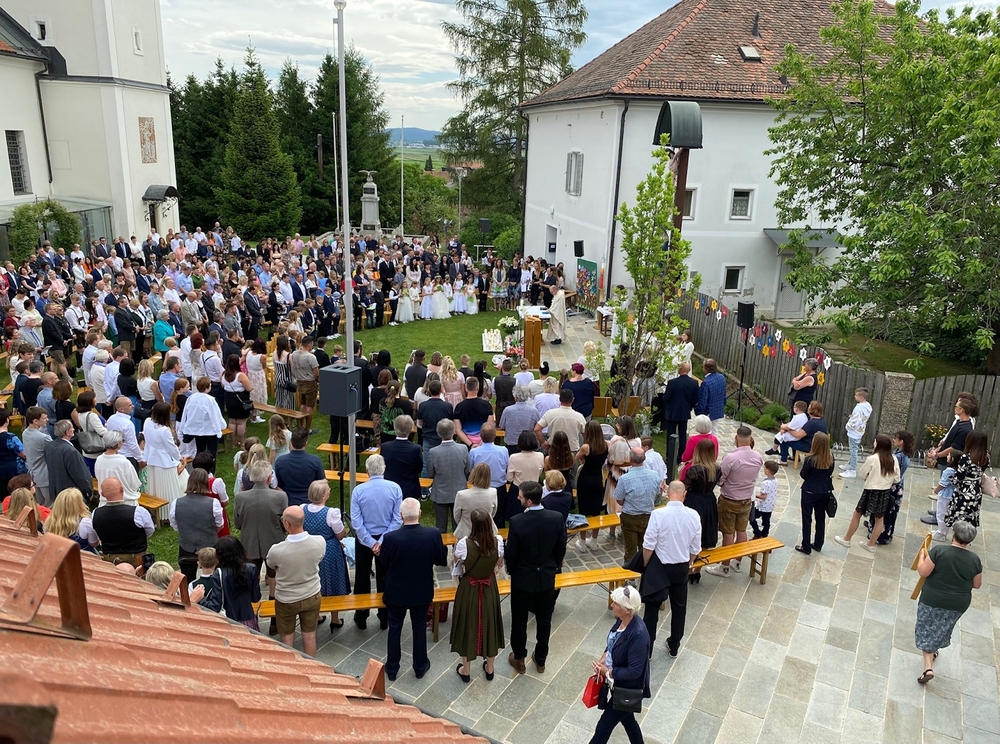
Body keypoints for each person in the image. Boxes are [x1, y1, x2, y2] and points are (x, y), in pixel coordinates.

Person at [379, 497, 448, 681]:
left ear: (401, 515)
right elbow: (441, 559)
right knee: (419, 627)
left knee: (395, 628)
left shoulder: (391, 538)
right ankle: (420, 666)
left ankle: (392, 668)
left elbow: (383, 561)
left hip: (396, 592)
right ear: (420, 513)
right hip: (421, 590)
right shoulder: (432, 534)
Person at [506, 481, 567, 675]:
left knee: (519, 620)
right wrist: (552, 567)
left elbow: (511, 553)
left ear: (529, 500)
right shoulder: (556, 518)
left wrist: (512, 571)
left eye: (520, 496)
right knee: (544, 620)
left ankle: (519, 658)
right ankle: (541, 659)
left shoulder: (517, 521)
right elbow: (561, 547)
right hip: (546, 577)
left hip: (522, 578)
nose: (518, 498)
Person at [913, 520, 983, 684]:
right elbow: (977, 584)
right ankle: (933, 650)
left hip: (932, 598)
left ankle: (928, 667)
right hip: (958, 603)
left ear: (954, 534)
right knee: (943, 627)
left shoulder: (939, 551)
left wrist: (922, 556)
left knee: (926, 628)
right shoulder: (975, 560)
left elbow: (923, 571)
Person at [640, 480, 701, 656]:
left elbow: (648, 544)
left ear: (667, 494)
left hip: (659, 567)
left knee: (651, 610)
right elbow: (695, 547)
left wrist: (646, 564)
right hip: (681, 566)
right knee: (679, 607)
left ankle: (647, 650)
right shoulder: (694, 515)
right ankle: (674, 645)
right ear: (684, 495)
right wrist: (689, 563)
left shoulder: (658, 514)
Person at [587, 585, 651, 744]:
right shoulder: (622, 620)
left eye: (616, 603)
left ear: (627, 610)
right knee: (628, 720)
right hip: (618, 686)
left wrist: (608, 672)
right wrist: (602, 660)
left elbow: (634, 671)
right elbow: (612, 644)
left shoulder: (638, 635)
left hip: (627, 689)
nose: (612, 605)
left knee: (603, 729)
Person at [451, 508, 505, 683]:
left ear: (473, 524)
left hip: (469, 588)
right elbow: (499, 563)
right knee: (490, 624)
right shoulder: (498, 541)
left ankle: (466, 670)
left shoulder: (463, 544)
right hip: (489, 587)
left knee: (467, 625)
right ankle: (490, 668)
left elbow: (457, 561)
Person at [350, 455, 403, 630]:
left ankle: (361, 615)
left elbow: (357, 522)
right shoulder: (394, 488)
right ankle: (384, 616)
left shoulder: (358, 491)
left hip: (365, 538)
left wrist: (371, 542)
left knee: (362, 577)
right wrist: (380, 542)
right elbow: (397, 519)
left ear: (367, 471)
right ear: (384, 469)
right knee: (386, 577)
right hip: (387, 538)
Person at [266, 505, 325, 656]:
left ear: (287, 524)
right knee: (310, 637)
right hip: (312, 594)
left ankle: (291, 668)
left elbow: (271, 566)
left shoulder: (277, 550)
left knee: (287, 638)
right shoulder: (319, 542)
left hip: (287, 599)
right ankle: (311, 667)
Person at [705, 426, 763, 578]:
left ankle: (724, 567)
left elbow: (721, 479)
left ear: (736, 438)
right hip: (746, 500)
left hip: (729, 500)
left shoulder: (730, 458)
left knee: (728, 533)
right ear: (751, 439)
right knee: (741, 531)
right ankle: (737, 562)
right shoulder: (758, 457)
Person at [834, 434, 901, 554]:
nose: (874, 443)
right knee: (879, 519)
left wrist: (870, 477)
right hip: (885, 491)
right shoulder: (893, 459)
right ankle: (871, 544)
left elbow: (862, 474)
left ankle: (847, 539)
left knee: (857, 514)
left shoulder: (872, 458)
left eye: (875, 442)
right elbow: (897, 478)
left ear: (878, 444)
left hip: (871, 490)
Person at [303, 480, 350, 629]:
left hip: (309, 549)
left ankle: (316, 615)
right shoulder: (331, 513)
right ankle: (335, 619)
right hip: (328, 549)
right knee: (333, 581)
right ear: (324, 495)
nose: (330, 491)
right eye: (328, 490)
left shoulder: (302, 508)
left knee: (312, 581)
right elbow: (340, 534)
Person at [170, 468, 224, 583]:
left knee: (187, 581)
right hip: (209, 547)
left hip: (186, 547)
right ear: (205, 483)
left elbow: (175, 526)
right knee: (214, 581)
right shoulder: (213, 503)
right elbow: (220, 525)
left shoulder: (176, 503)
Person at [92, 476, 154, 567]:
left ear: (103, 494)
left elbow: (96, 533)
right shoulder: (138, 512)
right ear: (122, 489)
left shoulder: (95, 513)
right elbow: (149, 531)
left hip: (110, 560)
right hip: (137, 558)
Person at [615, 447, 661, 563]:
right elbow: (656, 493)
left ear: (630, 459)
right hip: (648, 516)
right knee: (646, 547)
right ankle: (645, 568)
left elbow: (619, 500)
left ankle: (630, 571)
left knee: (630, 550)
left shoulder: (624, 479)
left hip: (630, 517)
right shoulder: (655, 475)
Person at [426, 419, 472, 532]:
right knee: (459, 527)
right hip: (459, 491)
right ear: (454, 431)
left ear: (438, 433)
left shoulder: (433, 452)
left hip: (440, 492)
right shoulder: (463, 449)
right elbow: (468, 470)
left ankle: (442, 544)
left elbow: (430, 473)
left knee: (440, 527)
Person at [795, 433, 834, 555]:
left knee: (807, 518)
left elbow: (803, 475)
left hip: (809, 492)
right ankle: (818, 544)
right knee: (820, 518)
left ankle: (806, 546)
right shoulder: (831, 458)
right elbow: (830, 472)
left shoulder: (810, 459)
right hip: (824, 492)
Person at [143, 402, 187, 508]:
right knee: (168, 487)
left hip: (151, 458)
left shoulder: (147, 421)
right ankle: (169, 509)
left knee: (155, 486)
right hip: (164, 462)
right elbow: (171, 447)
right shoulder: (164, 430)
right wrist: (179, 457)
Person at [944, 429, 990, 529]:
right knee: (970, 513)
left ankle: (957, 535)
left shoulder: (966, 458)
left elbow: (959, 478)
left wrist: (950, 478)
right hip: (976, 489)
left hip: (964, 489)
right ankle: (968, 533)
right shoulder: (986, 457)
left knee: (959, 515)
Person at [215, 536, 263, 630]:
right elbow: (256, 598)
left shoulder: (218, 574)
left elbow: (216, 603)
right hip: (248, 618)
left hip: (229, 621)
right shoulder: (251, 569)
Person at [43, 420, 93, 506]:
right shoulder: (70, 451)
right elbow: (79, 474)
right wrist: (88, 491)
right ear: (67, 432)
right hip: (71, 495)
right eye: (72, 428)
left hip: (57, 491)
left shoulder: (50, 446)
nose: (74, 429)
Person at [273, 428, 325, 507]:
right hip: (310, 503)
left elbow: (278, 485)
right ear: (306, 443)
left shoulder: (280, 461)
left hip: (289, 503)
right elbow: (321, 483)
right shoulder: (315, 461)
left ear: (290, 442)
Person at [504, 431, 545, 525]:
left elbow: (509, 478)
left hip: (518, 490)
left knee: (516, 519)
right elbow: (539, 472)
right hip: (535, 489)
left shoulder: (514, 457)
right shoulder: (540, 456)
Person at [662, 361, 699, 462]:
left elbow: (666, 398)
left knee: (671, 435)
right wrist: (689, 407)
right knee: (682, 434)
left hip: (672, 412)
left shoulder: (672, 383)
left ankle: (670, 457)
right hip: (684, 412)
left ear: (680, 369)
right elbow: (695, 399)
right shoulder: (694, 383)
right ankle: (681, 456)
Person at [381, 415, 423, 501]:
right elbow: (419, 468)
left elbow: (383, 466)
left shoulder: (385, 447)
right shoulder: (415, 449)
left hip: (390, 489)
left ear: (394, 427)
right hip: (409, 488)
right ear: (411, 429)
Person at [94, 431, 142, 505]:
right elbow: (134, 484)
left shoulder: (99, 460)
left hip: (105, 501)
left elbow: (98, 477)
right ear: (118, 444)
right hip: (126, 502)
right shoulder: (124, 462)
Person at [45, 487, 99, 553]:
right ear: (79, 504)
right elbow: (94, 543)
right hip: (82, 556)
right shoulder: (85, 523)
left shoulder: (50, 520)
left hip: (58, 554)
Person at [454, 462, 498, 539]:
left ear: (473, 474)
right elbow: (493, 513)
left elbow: (457, 516)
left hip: (466, 533)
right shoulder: (493, 492)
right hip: (487, 531)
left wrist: (466, 523)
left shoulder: (461, 495)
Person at [533, 388, 586, 453]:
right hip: (572, 450)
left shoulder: (550, 414)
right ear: (572, 400)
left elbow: (537, 429)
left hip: (554, 449)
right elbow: (586, 434)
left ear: (559, 399)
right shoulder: (579, 416)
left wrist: (543, 442)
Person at [778, 400, 827, 465]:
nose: (808, 408)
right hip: (817, 446)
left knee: (784, 439)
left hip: (809, 447)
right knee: (793, 438)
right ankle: (795, 457)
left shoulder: (812, 423)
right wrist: (787, 428)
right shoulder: (820, 420)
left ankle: (783, 460)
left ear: (812, 410)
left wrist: (787, 429)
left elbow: (798, 435)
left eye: (809, 406)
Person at [839, 387, 872, 479]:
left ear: (861, 397)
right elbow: (861, 418)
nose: (855, 396)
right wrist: (852, 416)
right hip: (860, 431)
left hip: (854, 432)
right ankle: (850, 464)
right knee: (854, 449)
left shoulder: (858, 408)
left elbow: (855, 421)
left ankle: (852, 470)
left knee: (853, 451)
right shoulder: (867, 406)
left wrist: (848, 426)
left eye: (856, 395)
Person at [221, 354, 253, 448]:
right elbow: (249, 388)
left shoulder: (224, 374)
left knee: (232, 421)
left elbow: (223, 385)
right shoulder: (240, 375)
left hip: (229, 400)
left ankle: (233, 443)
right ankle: (242, 443)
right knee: (241, 422)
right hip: (241, 400)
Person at [22, 407, 51, 506]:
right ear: (35, 421)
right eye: (44, 418)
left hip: (33, 475)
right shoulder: (44, 438)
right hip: (45, 476)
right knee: (51, 505)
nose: (47, 420)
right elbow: (55, 452)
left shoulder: (25, 433)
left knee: (40, 504)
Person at [498, 386, 540, 456]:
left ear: (515, 396)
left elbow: (502, 426)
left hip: (512, 445)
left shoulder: (508, 410)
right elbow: (538, 427)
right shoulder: (534, 411)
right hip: (528, 444)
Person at [291, 335, 320, 433]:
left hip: (300, 381)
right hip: (310, 382)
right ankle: (307, 428)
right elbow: (316, 373)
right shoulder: (311, 357)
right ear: (309, 344)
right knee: (309, 406)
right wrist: (317, 380)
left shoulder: (294, 353)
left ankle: (300, 426)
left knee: (303, 404)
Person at [454, 377, 494, 446]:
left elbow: (458, 430)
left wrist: (471, 444)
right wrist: (480, 444)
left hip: (466, 443)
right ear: (477, 388)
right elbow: (490, 426)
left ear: (466, 388)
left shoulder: (459, 407)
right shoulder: (487, 405)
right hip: (484, 442)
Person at [930, 452, 959, 542]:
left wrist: (936, 490)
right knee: (948, 514)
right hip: (953, 495)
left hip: (945, 496)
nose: (947, 456)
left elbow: (943, 484)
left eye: (949, 455)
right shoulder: (958, 470)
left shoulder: (948, 470)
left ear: (952, 459)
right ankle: (943, 532)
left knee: (941, 514)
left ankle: (941, 533)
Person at [694, 358, 726, 433]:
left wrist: (699, 413)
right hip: (718, 409)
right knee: (714, 430)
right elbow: (724, 395)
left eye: (703, 367)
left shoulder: (706, 383)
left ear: (706, 369)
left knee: (707, 432)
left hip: (708, 412)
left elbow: (703, 401)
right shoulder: (721, 377)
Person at [751, 460, 780, 539]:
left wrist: (754, 495)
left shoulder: (765, 483)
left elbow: (763, 496)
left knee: (752, 518)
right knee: (766, 521)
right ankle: (765, 534)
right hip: (770, 506)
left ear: (767, 470)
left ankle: (757, 532)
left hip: (763, 506)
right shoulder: (775, 480)